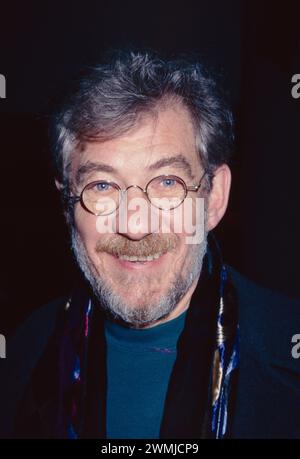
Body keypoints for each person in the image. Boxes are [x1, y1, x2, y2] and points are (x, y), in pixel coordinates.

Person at [0, 50, 299, 439]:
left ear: (214, 199)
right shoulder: (27, 352)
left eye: (167, 183)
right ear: (67, 204)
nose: (135, 226)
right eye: (102, 186)